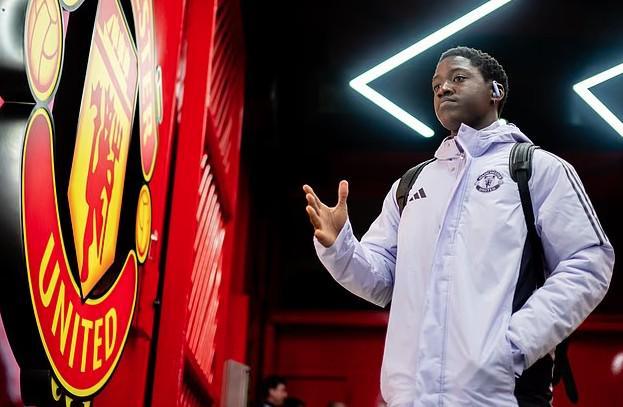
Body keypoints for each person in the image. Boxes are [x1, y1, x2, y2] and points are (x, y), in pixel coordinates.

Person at [303, 46, 614, 406]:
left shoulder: (536, 169)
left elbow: (588, 263)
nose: (444, 88)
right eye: (436, 85)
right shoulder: (411, 184)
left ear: (496, 91)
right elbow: (382, 281)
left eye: (458, 78)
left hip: (499, 395)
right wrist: (340, 247)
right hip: (409, 398)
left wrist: (512, 346)